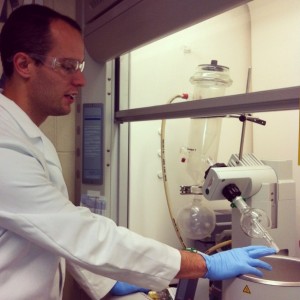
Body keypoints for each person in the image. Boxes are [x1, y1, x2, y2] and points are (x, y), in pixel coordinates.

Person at [0, 4, 276, 300]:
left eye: (79, 67)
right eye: (67, 66)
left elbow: (56, 232)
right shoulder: (5, 143)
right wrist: (204, 263)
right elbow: (78, 234)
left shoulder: (29, 136)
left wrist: (108, 282)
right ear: (24, 64)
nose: (80, 80)